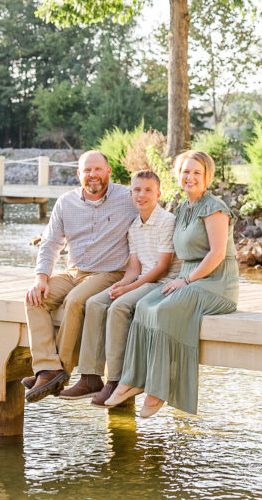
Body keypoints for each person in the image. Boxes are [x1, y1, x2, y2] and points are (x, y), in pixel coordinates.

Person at [105, 150, 238, 417]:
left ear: (207, 176)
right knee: (144, 306)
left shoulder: (215, 208)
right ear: (178, 175)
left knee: (164, 310)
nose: (190, 177)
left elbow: (217, 254)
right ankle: (131, 379)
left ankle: (158, 390)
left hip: (215, 282)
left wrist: (186, 279)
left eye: (196, 173)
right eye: (185, 172)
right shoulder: (182, 208)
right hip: (187, 278)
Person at [23, 150, 137, 403]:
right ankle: (46, 368)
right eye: (87, 171)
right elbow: (51, 243)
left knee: (75, 301)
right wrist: (41, 277)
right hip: (74, 270)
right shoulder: (65, 202)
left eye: (98, 169)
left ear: (108, 171)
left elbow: (153, 220)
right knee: (34, 299)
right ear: (79, 174)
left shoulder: (127, 198)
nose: (92, 175)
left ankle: (60, 369)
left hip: (109, 272)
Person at [59, 170, 179, 405]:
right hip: (141, 279)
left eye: (147, 190)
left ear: (158, 194)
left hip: (160, 283)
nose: (141, 195)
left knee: (118, 307)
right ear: (130, 193)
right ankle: (90, 377)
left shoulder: (167, 221)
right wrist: (122, 283)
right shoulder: (134, 226)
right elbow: (134, 266)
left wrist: (129, 289)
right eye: (136, 190)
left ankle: (114, 378)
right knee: (95, 302)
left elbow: (162, 268)